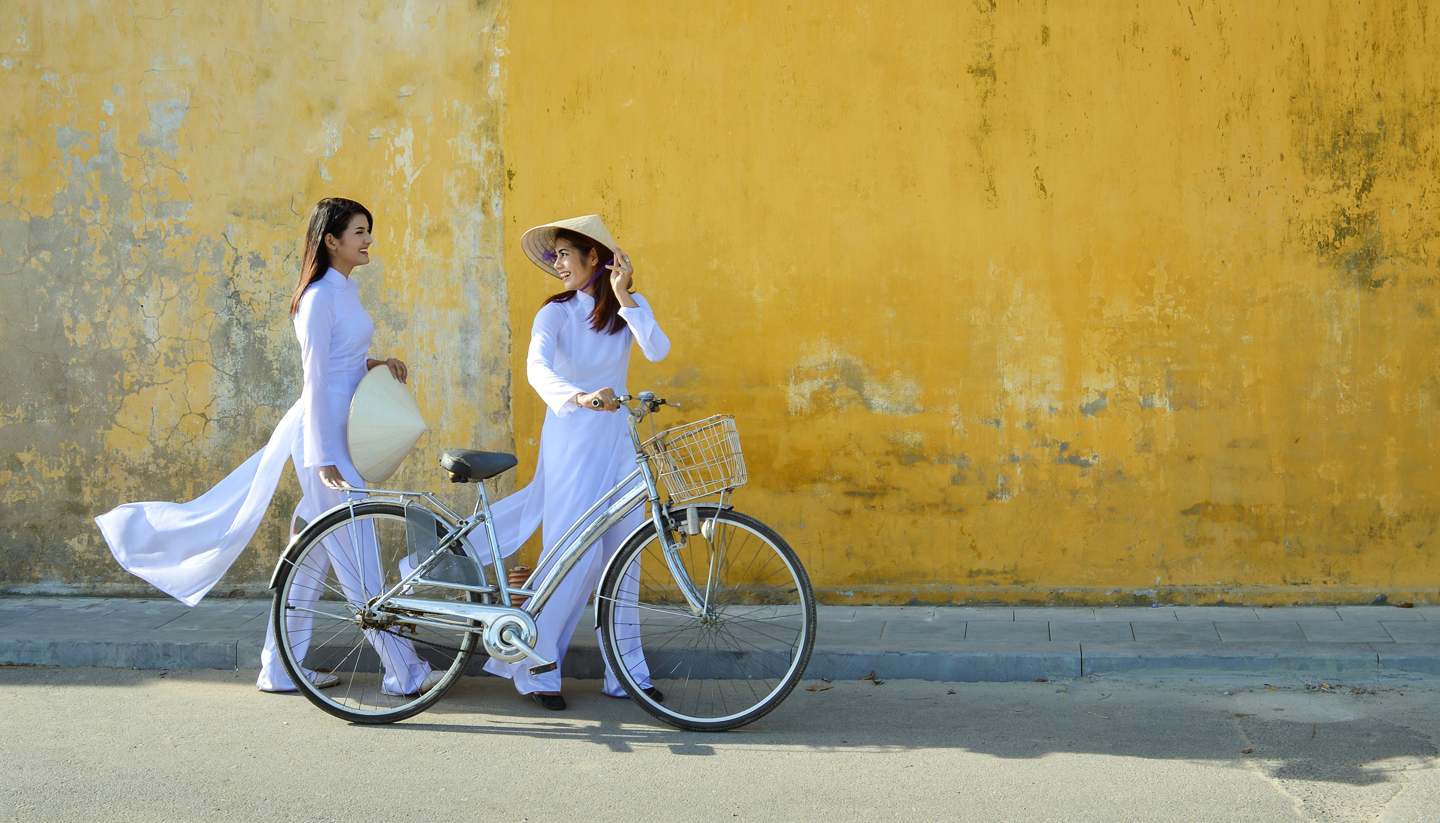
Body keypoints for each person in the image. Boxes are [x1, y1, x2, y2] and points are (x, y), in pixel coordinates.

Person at [96, 197, 442, 696]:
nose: (369, 240)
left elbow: (342, 364)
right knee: (356, 549)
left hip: (344, 429)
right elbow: (316, 380)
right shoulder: (319, 297)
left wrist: (375, 365)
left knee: (315, 554)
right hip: (325, 438)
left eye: (369, 231)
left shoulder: (344, 291)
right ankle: (403, 670)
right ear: (332, 240)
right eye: (360, 232)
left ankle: (279, 668)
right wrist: (322, 456)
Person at [481, 215, 669, 710]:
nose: (558, 264)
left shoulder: (626, 309)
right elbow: (536, 368)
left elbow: (657, 348)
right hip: (572, 437)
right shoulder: (555, 314)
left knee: (623, 555)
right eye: (557, 254)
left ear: (595, 258)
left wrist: (626, 296)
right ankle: (537, 668)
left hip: (619, 442)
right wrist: (580, 396)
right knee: (571, 555)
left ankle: (626, 671)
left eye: (567, 254)